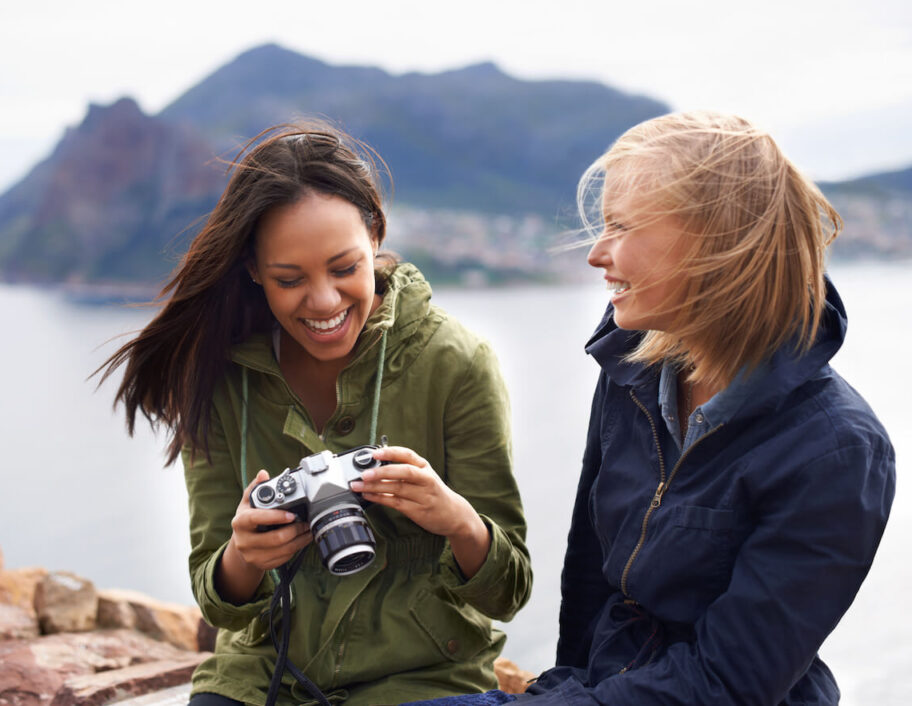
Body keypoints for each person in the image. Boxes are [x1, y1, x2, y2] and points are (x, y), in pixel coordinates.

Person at [405, 111, 896, 705]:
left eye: (620, 226)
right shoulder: (631, 366)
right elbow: (589, 575)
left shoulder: (837, 450)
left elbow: (729, 683)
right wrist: (560, 688)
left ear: (715, 242)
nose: (596, 254)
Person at [98, 121, 532, 705]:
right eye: (289, 279)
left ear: (375, 235)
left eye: (344, 268)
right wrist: (244, 555)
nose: (324, 301)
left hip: (422, 678)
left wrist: (455, 518)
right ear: (254, 270)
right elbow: (216, 597)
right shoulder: (220, 378)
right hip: (263, 676)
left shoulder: (457, 364)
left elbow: (508, 591)